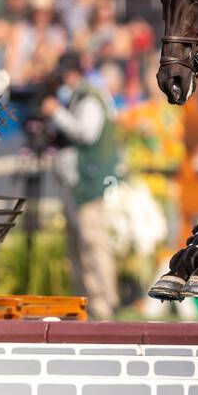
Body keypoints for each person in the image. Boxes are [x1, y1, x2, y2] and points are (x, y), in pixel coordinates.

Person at [42, 52, 120, 320]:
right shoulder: (78, 97)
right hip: (76, 184)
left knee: (93, 242)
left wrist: (57, 114)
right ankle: (84, 300)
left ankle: (105, 301)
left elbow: (87, 133)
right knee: (76, 245)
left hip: (89, 183)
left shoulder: (89, 98)